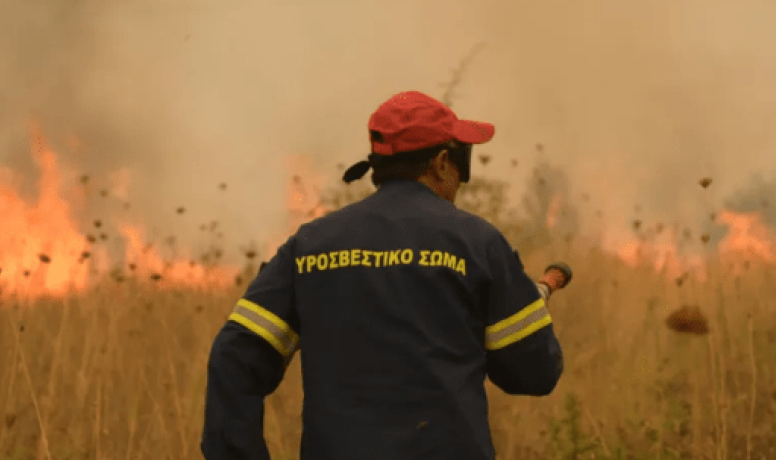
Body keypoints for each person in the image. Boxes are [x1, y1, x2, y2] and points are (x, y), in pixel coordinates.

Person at [202, 90, 567, 460]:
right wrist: (526, 317)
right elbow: (532, 374)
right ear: (442, 162)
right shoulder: (478, 244)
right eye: (463, 161)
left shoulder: (309, 246)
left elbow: (234, 358)